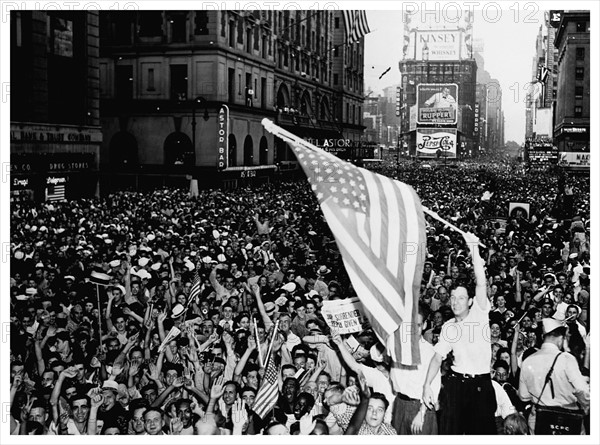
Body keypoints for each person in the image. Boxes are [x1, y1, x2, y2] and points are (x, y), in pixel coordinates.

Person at [422, 231, 497, 434]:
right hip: (455, 384)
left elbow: (481, 282)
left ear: (470, 301)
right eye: (453, 298)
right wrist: (427, 385)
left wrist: (473, 247)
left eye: (461, 298)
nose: (455, 302)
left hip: (480, 385)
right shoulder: (448, 327)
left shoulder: (479, 314)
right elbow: (438, 358)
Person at [518, 318, 590, 434]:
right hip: (567, 419)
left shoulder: (528, 361)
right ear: (562, 337)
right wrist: (586, 407)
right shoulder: (567, 359)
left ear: (543, 337)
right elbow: (582, 390)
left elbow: (523, 396)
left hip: (539, 419)